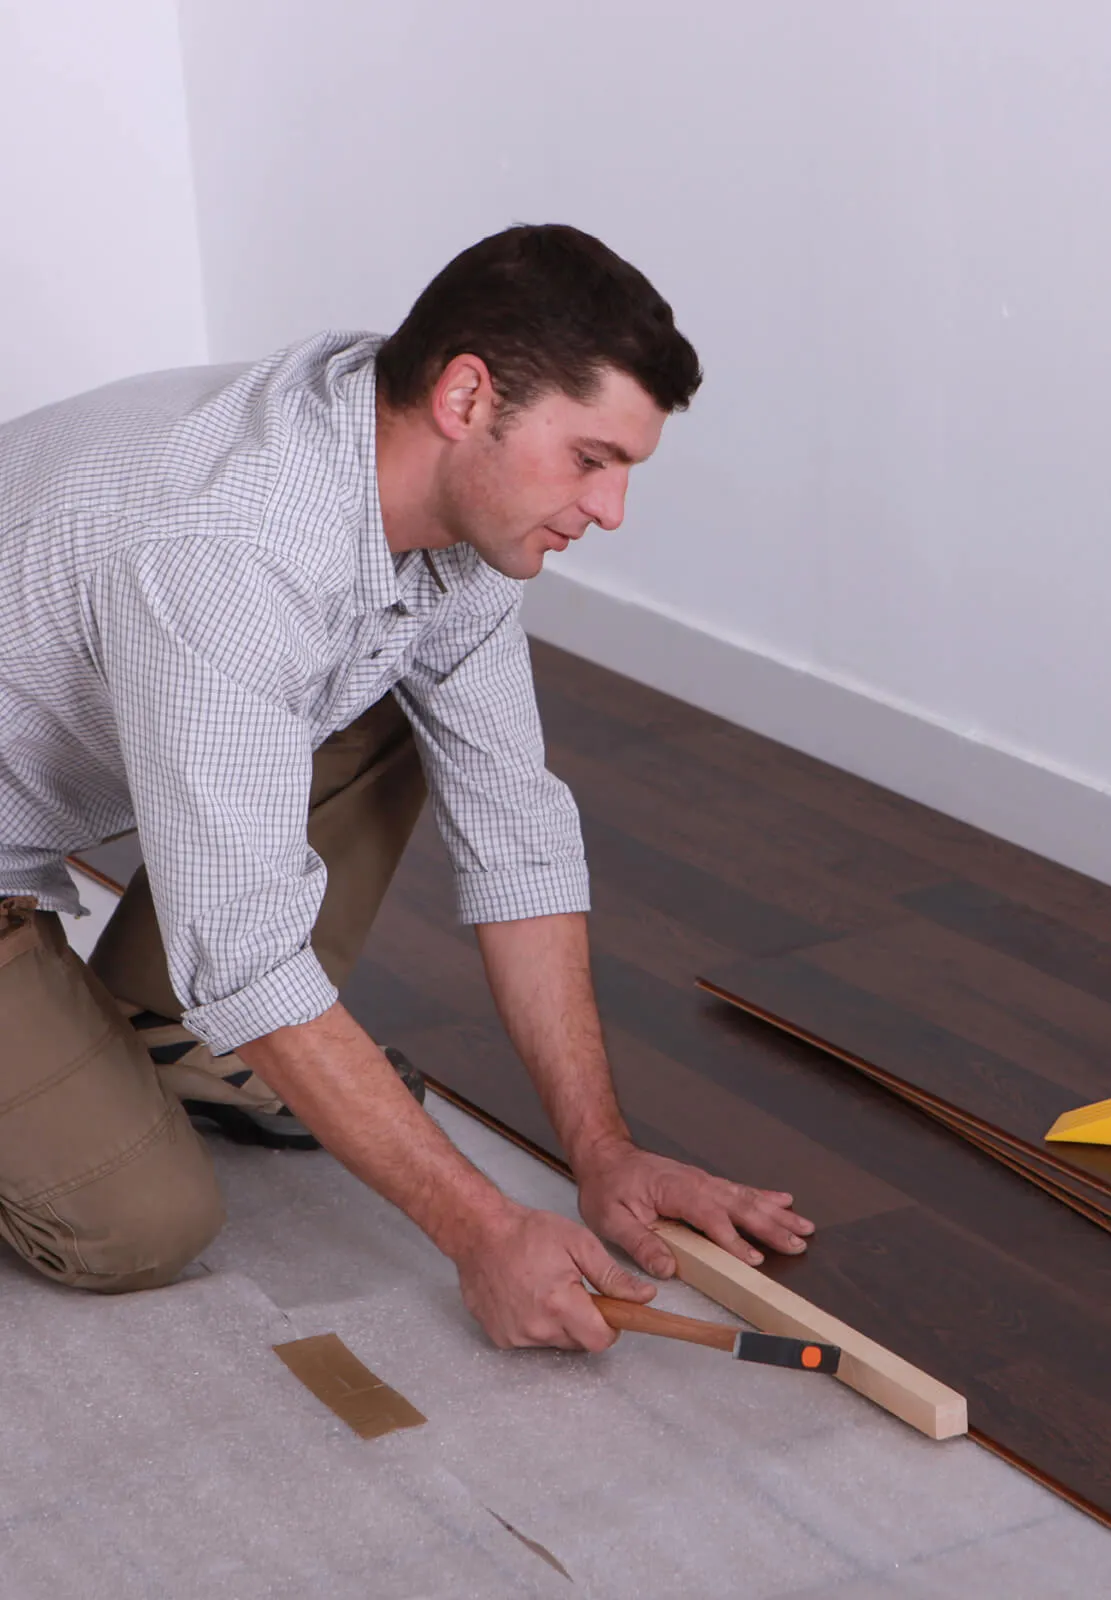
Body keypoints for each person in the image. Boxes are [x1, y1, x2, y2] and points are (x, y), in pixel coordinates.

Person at [0, 223, 814, 1352]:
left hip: (68, 753)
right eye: (590, 459)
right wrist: (483, 1229)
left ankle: (161, 1027)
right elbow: (245, 945)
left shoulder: (438, 513)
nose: (612, 510)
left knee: (381, 687)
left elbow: (514, 827)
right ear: (467, 395)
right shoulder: (235, 549)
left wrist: (602, 1150)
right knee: (139, 1223)